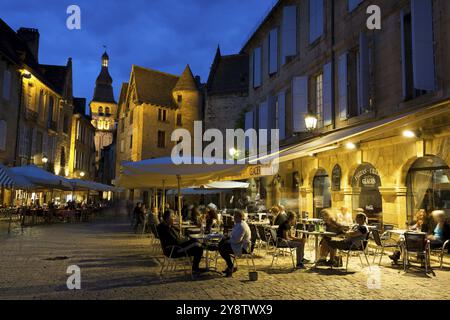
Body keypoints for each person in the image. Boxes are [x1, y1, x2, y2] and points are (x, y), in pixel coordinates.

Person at [157, 209, 205, 275]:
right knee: (195, 241)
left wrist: (173, 226)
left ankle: (195, 268)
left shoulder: (168, 226)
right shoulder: (164, 228)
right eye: (172, 216)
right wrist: (186, 239)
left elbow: (177, 235)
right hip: (174, 250)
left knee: (198, 248)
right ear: (167, 218)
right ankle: (207, 247)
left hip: (176, 247)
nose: (174, 218)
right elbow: (176, 240)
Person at [218, 210, 251, 277]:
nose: (234, 218)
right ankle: (230, 266)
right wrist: (227, 237)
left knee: (222, 248)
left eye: (235, 217)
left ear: (240, 217)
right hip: (238, 244)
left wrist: (228, 240)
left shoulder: (242, 226)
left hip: (242, 247)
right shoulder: (238, 224)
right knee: (221, 244)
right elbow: (233, 234)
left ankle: (230, 267)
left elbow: (237, 240)